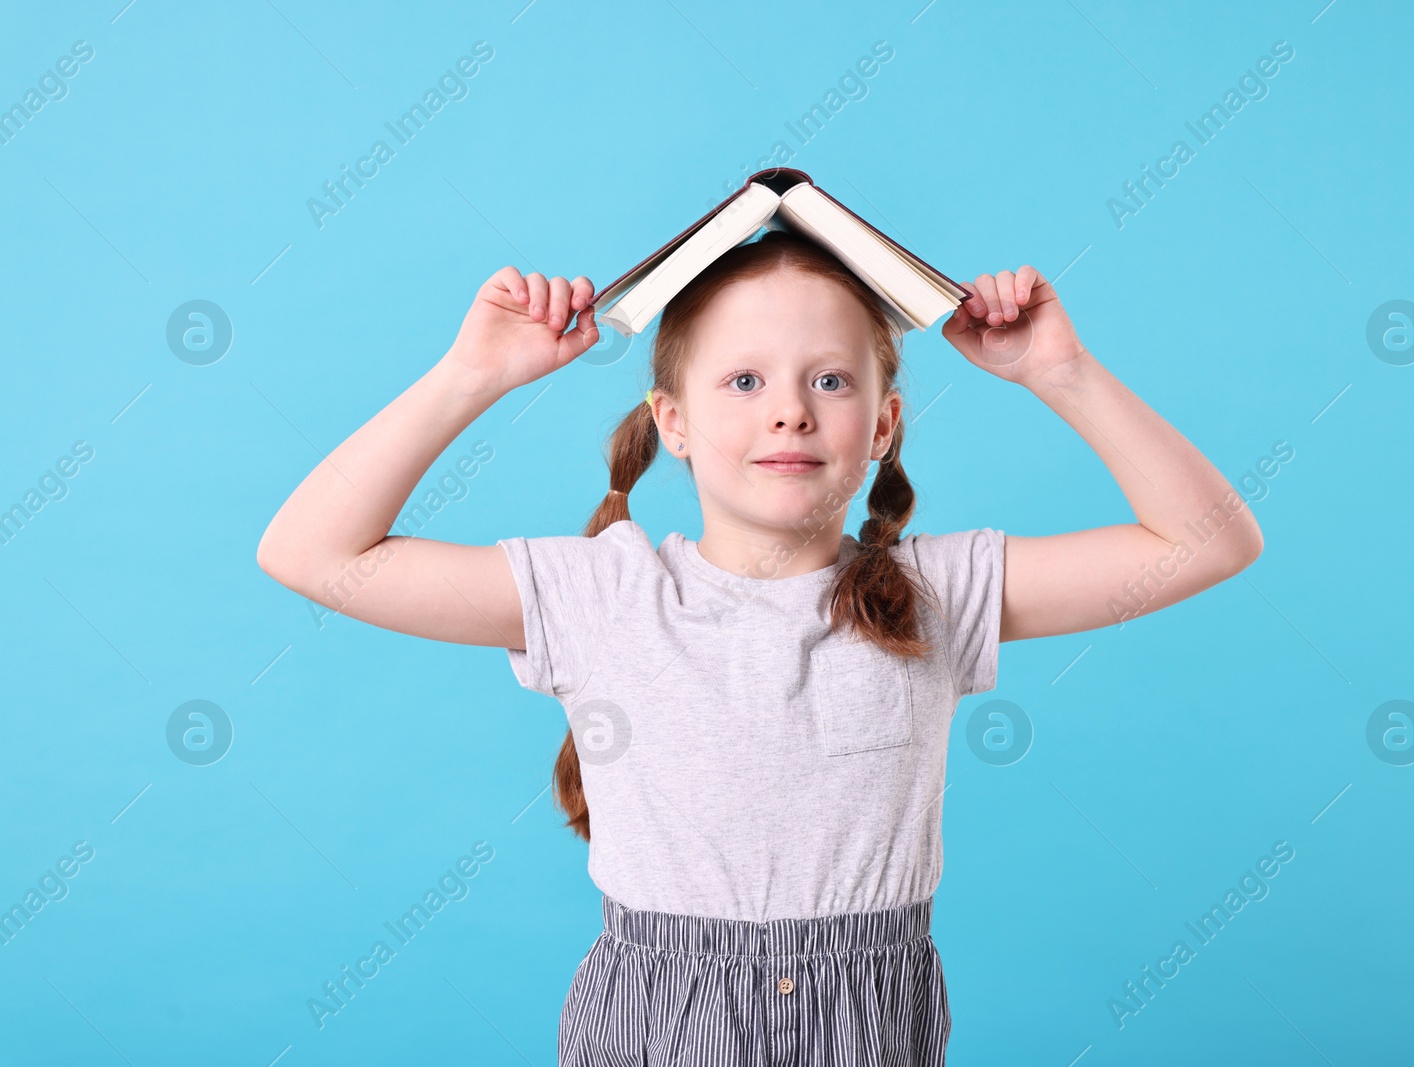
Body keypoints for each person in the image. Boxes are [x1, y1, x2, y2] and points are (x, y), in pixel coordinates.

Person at [256, 228, 1263, 1065]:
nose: (788, 407)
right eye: (742, 379)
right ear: (674, 422)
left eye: (829, 378)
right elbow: (310, 549)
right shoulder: (603, 591)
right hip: (658, 1018)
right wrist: (470, 374)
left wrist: (1060, 371)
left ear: (882, 424)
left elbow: (1207, 539)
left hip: (870, 1020)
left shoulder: (935, 592)